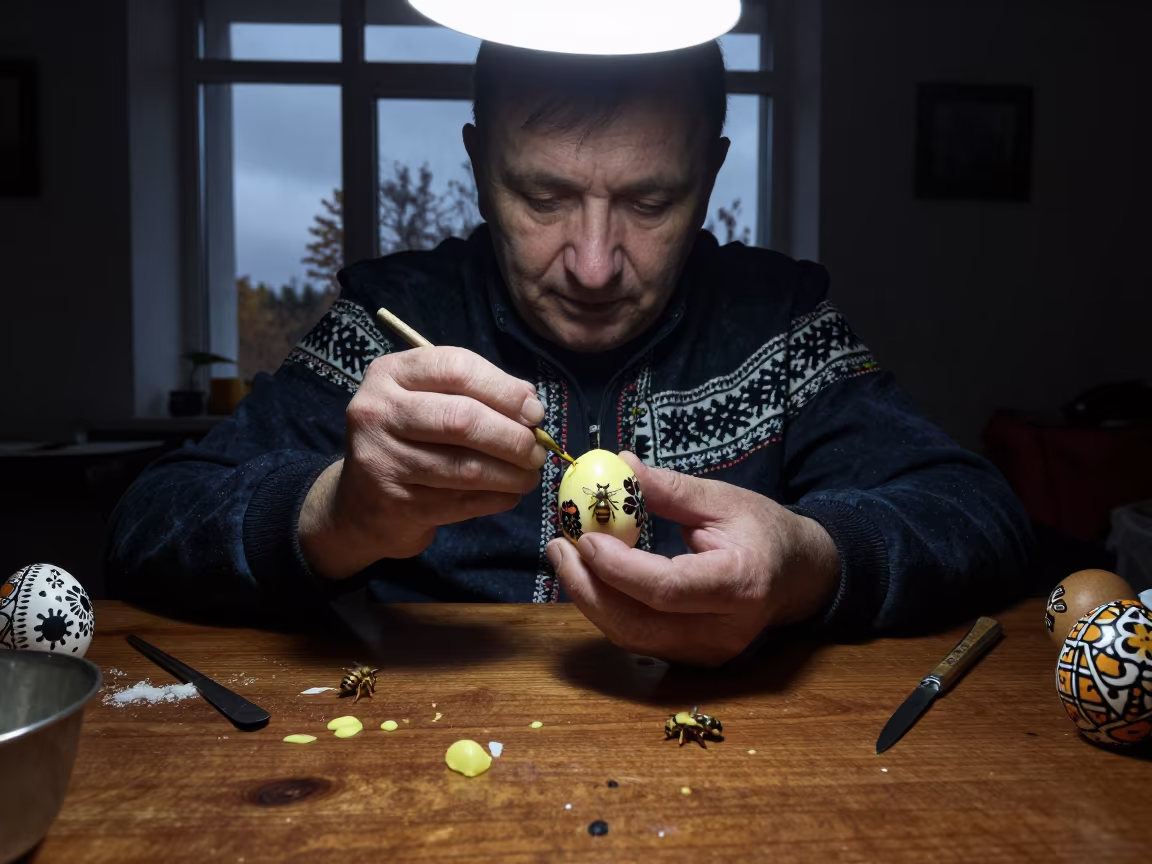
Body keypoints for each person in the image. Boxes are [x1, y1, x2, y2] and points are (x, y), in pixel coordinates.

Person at [107, 40, 1032, 664]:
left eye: (649, 201)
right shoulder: (390, 320)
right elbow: (150, 525)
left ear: (709, 175)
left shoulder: (779, 323)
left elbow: (977, 518)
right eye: (544, 198)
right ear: (477, 168)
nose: (593, 266)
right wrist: (332, 512)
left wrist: (811, 563)